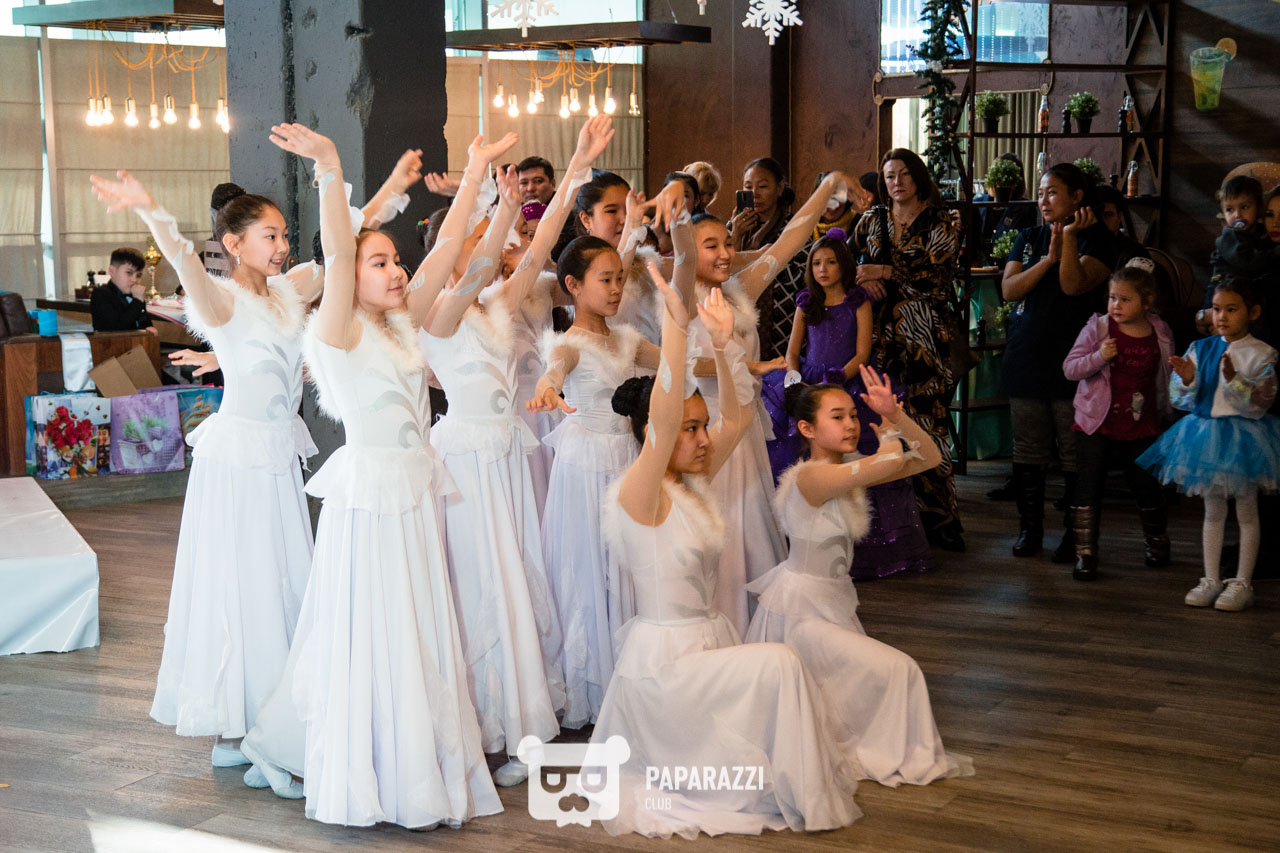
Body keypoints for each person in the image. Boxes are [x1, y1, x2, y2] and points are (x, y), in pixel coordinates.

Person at [256, 122, 511, 826]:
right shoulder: (335, 331)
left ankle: (413, 758)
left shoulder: (404, 322)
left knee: (419, 628)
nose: (396, 272)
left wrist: (476, 174)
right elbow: (338, 250)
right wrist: (329, 166)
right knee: (376, 629)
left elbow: (451, 249)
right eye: (380, 263)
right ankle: (369, 763)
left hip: (414, 493)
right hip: (370, 500)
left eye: (396, 260)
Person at [591, 267, 860, 838]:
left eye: (700, 427)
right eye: (689, 429)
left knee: (782, 664)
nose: (702, 438)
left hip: (706, 645)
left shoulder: (690, 483)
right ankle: (807, 800)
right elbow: (665, 416)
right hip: (664, 670)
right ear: (653, 433)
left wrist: (723, 343)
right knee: (781, 662)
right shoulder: (639, 494)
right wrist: (675, 326)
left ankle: (799, 790)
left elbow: (737, 416)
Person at [89, 168, 322, 769]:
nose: (282, 246)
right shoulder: (220, 298)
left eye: (284, 235)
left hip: (277, 456)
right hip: (240, 460)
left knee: (282, 579)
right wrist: (150, 208)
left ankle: (275, 716)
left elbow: (334, 267)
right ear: (234, 243)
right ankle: (236, 721)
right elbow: (183, 260)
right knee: (242, 581)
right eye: (270, 236)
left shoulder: (289, 290)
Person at [421, 116, 615, 787]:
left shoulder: (496, 304)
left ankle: (518, 721)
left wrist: (577, 167)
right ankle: (487, 727)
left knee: (516, 576)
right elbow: (479, 262)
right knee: (482, 582)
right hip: (466, 460)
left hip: (505, 453)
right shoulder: (438, 313)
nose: (497, 249)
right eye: (478, 241)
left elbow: (539, 251)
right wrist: (492, 205)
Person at [746, 370, 972, 787]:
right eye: (838, 417)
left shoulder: (848, 467)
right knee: (900, 669)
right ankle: (896, 753)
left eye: (853, 415)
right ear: (807, 429)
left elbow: (930, 459)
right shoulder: (811, 477)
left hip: (834, 605)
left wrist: (897, 418)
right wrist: (888, 433)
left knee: (844, 694)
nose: (851, 424)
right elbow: (890, 460)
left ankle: (875, 744)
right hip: (801, 616)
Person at [526, 207, 687, 729]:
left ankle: (633, 679)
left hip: (626, 461)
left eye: (619, 279)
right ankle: (591, 683)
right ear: (573, 286)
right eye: (605, 280)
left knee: (627, 564)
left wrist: (739, 362)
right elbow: (555, 371)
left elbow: (677, 361)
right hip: (586, 465)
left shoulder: (626, 339)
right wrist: (548, 387)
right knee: (588, 569)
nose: (616, 289)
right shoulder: (568, 343)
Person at [690, 170, 859, 635]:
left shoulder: (740, 289)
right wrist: (748, 365)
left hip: (744, 428)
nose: (725, 253)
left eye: (728, 243)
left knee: (751, 526)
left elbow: (790, 240)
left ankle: (758, 629)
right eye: (710, 245)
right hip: (710, 430)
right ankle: (721, 624)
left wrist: (828, 185)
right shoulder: (680, 302)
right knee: (722, 527)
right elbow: (684, 364)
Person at [765, 236, 933, 579]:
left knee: (862, 454)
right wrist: (796, 382)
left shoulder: (858, 301)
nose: (823, 270)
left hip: (846, 381)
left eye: (830, 262)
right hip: (809, 383)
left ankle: (869, 549)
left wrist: (839, 377)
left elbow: (861, 352)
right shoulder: (806, 303)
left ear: (843, 265)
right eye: (816, 263)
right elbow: (793, 352)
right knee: (799, 451)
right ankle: (804, 540)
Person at [1138, 278, 1280, 612]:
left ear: (1252, 312)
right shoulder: (1199, 348)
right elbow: (1181, 399)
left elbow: (1260, 404)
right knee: (1212, 511)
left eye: (1232, 309)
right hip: (1204, 436)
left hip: (1244, 439)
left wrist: (1234, 380)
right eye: (1216, 309)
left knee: (1247, 511)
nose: (1222, 317)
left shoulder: (1261, 353)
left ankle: (1242, 582)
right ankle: (1211, 579)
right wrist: (1188, 378)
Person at [849, 148, 966, 552]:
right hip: (880, 338)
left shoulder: (940, 222)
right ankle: (897, 521)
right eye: (889, 175)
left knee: (929, 424)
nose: (896, 182)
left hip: (924, 337)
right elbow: (846, 262)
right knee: (885, 426)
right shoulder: (872, 220)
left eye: (903, 174)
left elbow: (934, 275)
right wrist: (864, 278)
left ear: (918, 178)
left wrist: (884, 271)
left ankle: (943, 518)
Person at [999, 162, 1116, 562]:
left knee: (1072, 452)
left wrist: (1068, 240)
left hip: (1075, 362)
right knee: (1028, 449)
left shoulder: (1099, 239)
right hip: (1026, 355)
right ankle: (1029, 531)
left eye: (1052, 192)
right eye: (1041, 192)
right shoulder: (1029, 237)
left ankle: (1074, 534)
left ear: (1077, 197)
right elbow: (1009, 289)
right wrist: (1046, 260)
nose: (1043, 200)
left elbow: (1073, 285)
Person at [1061, 261, 1175, 580]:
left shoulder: (1160, 332)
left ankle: (1157, 541)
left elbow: (1167, 376)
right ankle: (1085, 553)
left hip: (1142, 423)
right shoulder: (1098, 328)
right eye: (1112, 298)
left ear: (1146, 301)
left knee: (1145, 485)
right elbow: (1070, 368)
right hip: (1096, 422)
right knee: (1088, 487)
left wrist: (1169, 411)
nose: (1116, 305)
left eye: (1125, 299)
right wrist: (1100, 356)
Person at [1196, 176, 1279, 344]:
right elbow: (1249, 262)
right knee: (1218, 336)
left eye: (1245, 207)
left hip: (1241, 295)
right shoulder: (1230, 236)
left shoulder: (1261, 235)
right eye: (1229, 210)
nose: (1237, 215)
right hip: (1220, 286)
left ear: (1258, 209)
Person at [90, 247, 156, 334]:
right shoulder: (101, 294)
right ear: (112, 271)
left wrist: (150, 329)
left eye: (138, 275)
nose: (134, 280)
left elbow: (144, 322)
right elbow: (116, 329)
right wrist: (137, 301)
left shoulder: (136, 295)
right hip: (111, 342)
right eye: (129, 273)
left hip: (137, 341)